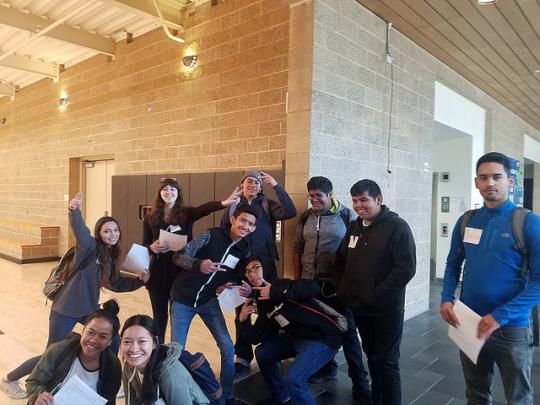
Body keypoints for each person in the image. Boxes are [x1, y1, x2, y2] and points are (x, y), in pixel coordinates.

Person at [1, 192, 148, 400]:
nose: (112, 234)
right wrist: (74, 211)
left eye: (115, 230)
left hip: (88, 309)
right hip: (66, 308)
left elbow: (116, 282)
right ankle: (9, 379)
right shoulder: (89, 247)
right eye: (107, 230)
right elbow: (80, 231)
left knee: (113, 339)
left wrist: (140, 280)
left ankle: (104, 378)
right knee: (52, 353)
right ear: (99, 233)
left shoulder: (109, 256)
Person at [440, 152, 540, 404]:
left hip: (512, 327)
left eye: (497, 177)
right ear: (476, 182)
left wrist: (499, 316)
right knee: (476, 392)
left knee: (518, 397)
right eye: (483, 178)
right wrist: (445, 298)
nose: (490, 183)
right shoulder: (467, 220)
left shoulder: (528, 222)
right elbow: (453, 263)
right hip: (469, 322)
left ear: (511, 181)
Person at [336, 179, 416, 405]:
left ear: (378, 199)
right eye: (354, 201)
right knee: (371, 355)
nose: (358, 205)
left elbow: (406, 268)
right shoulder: (355, 225)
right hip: (361, 307)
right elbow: (341, 259)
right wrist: (343, 289)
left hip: (386, 308)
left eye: (363, 200)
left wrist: (376, 293)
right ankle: (378, 398)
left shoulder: (397, 227)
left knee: (388, 361)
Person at [293, 176, 371, 403]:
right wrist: (298, 280)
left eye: (319, 195)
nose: (315, 200)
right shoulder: (306, 217)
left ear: (330, 195)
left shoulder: (347, 216)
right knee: (318, 328)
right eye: (311, 196)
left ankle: (360, 383)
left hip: (336, 288)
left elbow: (357, 253)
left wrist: (349, 284)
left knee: (347, 333)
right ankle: (327, 367)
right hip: (309, 285)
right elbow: (298, 248)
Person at [170, 203, 258, 405]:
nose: (246, 226)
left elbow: (238, 276)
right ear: (232, 219)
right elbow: (178, 256)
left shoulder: (244, 250)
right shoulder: (211, 235)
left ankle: (226, 396)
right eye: (243, 220)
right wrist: (199, 264)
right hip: (182, 299)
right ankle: (180, 396)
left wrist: (243, 288)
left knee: (227, 348)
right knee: (177, 351)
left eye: (251, 224)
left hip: (208, 301)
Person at [143, 176, 241, 343]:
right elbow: (145, 244)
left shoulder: (186, 214)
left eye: (172, 189)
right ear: (159, 193)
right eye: (165, 189)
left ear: (177, 193)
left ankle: (174, 353)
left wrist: (224, 203)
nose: (169, 192)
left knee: (177, 319)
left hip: (180, 272)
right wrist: (152, 247)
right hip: (158, 274)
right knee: (159, 318)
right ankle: (156, 352)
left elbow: (205, 209)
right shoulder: (150, 217)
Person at [221, 170, 296, 377]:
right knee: (241, 312)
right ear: (242, 184)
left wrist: (276, 186)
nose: (252, 185)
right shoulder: (233, 206)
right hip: (240, 268)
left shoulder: (267, 204)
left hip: (266, 267)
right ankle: (243, 356)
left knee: (269, 308)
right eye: (248, 181)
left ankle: (271, 351)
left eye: (256, 182)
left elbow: (290, 212)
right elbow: (224, 233)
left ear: (261, 186)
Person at [238, 256, 340, 405]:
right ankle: (281, 396)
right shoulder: (261, 301)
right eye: (248, 272)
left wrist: (276, 292)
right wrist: (243, 320)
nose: (252, 274)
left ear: (264, 269)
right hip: (297, 339)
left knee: (294, 379)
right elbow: (257, 337)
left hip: (322, 337)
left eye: (256, 268)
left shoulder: (281, 284)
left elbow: (313, 287)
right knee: (262, 353)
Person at [25, 299, 122, 405]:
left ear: (110, 341)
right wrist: (38, 396)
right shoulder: (59, 350)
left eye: (103, 336)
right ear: (83, 330)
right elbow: (33, 382)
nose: (93, 340)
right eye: (90, 332)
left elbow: (109, 401)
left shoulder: (113, 366)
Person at [120, 314, 209, 405]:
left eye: (142, 341)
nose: (134, 349)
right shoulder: (129, 365)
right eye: (127, 342)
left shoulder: (171, 375)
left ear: (155, 343)